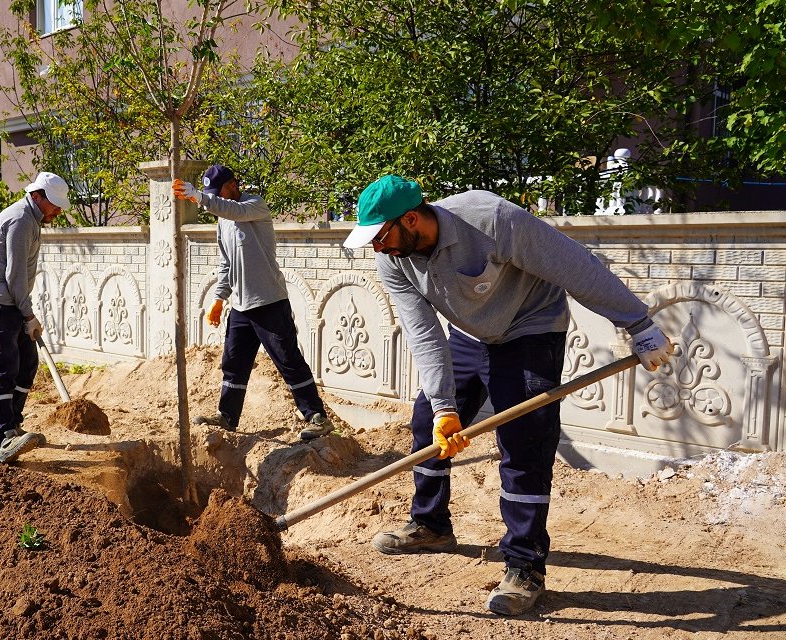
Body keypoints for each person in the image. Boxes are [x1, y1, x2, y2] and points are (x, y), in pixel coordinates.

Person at [343, 175, 674, 616]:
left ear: (411, 218)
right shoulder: (394, 259)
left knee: (524, 443)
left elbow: (576, 267)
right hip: (468, 332)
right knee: (427, 424)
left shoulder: (491, 220)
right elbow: (423, 335)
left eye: (381, 236)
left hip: (529, 326)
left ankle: (524, 566)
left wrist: (639, 324)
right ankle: (431, 524)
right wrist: (445, 408)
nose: (378, 248)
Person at [173, 165, 333, 441]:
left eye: (218, 192)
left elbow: (233, 211)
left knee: (288, 359)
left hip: (269, 301)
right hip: (241, 305)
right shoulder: (223, 220)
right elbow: (226, 262)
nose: (216, 197)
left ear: (233, 185)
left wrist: (200, 198)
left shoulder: (254, 205)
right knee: (234, 362)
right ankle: (227, 416)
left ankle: (317, 417)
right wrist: (218, 298)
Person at [0, 171, 71, 463]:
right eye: (55, 204)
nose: (58, 210)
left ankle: (13, 424)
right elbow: (14, 275)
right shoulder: (21, 219)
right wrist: (29, 314)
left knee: (27, 362)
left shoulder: (34, 218)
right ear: (37, 196)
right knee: (5, 365)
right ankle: (3, 439)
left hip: (9, 303)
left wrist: (25, 312)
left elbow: (20, 275)